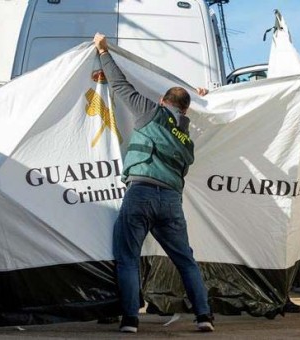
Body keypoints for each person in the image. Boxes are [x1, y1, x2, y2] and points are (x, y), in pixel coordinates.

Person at [93, 33, 214, 333]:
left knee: (128, 257)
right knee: (185, 260)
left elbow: (121, 86)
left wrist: (104, 52)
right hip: (171, 201)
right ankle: (204, 317)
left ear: (163, 101)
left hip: (141, 193)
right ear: (185, 110)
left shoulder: (151, 113)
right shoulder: (187, 140)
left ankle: (131, 320)